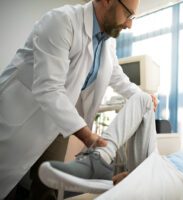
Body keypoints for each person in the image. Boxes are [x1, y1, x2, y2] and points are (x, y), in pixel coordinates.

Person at [0, 0, 158, 198]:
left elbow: (116, 76)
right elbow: (49, 88)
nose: (129, 24)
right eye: (128, 14)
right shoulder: (61, 21)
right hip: (21, 115)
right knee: (6, 180)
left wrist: (143, 97)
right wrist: (88, 136)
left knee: (47, 187)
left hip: (57, 124)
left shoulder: (107, 41)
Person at [39, 92, 183, 200]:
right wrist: (128, 175)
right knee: (144, 98)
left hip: (182, 182)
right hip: (156, 165)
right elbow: (154, 167)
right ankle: (99, 158)